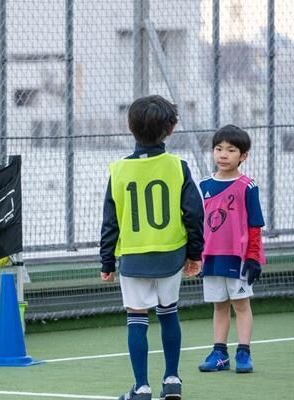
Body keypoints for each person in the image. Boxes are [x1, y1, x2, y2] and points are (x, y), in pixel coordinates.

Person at [100, 95, 204, 400]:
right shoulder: (178, 167)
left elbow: (111, 221)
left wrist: (106, 261)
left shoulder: (118, 170)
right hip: (171, 254)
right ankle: (172, 381)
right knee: (169, 313)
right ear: (170, 129)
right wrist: (195, 253)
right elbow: (194, 213)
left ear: (129, 127)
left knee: (137, 318)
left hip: (133, 258)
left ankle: (141, 387)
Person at [197, 124, 265, 374]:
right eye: (218, 148)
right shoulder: (204, 185)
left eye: (231, 150)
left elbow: (255, 224)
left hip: (239, 258)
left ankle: (244, 353)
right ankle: (219, 354)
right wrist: (194, 254)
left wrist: (253, 257)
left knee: (241, 305)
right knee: (219, 305)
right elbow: (198, 222)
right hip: (211, 258)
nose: (223, 154)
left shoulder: (248, 186)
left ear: (243, 156)